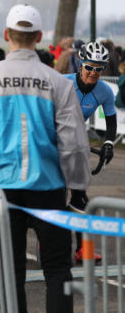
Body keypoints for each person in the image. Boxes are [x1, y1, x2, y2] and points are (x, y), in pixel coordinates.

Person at [0, 4, 90, 313]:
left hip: (2, 190)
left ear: (7, 35)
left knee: (11, 272)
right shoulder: (59, 83)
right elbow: (73, 144)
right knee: (59, 271)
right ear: (40, 37)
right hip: (48, 189)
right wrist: (79, 187)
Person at [63, 41, 117, 263]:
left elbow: (111, 122)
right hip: (50, 140)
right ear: (80, 64)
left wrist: (109, 144)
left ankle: (82, 249)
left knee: (80, 198)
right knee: (51, 194)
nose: (94, 73)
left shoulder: (104, 91)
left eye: (99, 68)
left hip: (76, 143)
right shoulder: (63, 84)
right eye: (89, 67)